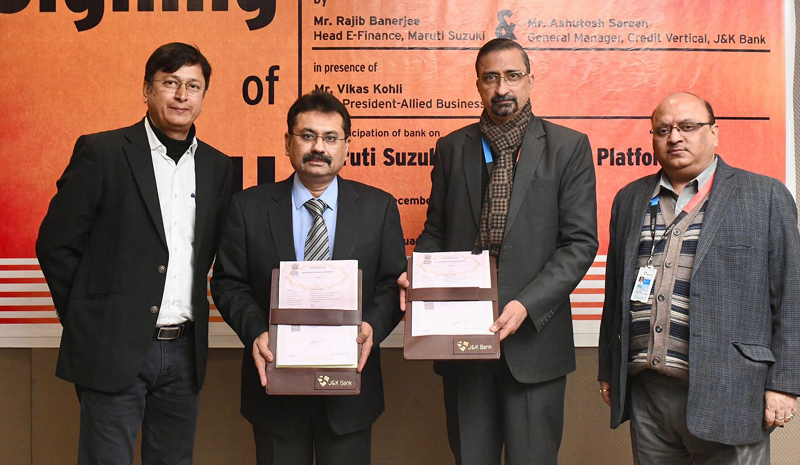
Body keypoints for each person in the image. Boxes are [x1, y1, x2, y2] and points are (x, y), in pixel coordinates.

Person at [398, 38, 598, 465]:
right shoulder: (452, 148)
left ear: (530, 80)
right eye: (490, 78)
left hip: (534, 343)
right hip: (461, 342)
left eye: (512, 76)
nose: (501, 88)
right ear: (477, 84)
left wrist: (526, 305)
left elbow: (579, 243)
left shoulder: (568, 147)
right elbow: (435, 231)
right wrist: (420, 274)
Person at [36, 42, 232, 465]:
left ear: (203, 95)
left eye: (193, 86)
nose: (182, 95)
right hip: (111, 347)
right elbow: (56, 244)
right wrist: (89, 320)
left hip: (184, 351)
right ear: (147, 89)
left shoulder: (218, 167)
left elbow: (208, 252)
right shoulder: (103, 152)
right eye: (170, 83)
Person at [598, 92, 800, 464]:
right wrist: (610, 369)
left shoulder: (765, 196)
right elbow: (616, 293)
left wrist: (785, 385)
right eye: (663, 130)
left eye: (688, 127)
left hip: (732, 389)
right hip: (648, 393)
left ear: (714, 132)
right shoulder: (630, 198)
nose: (675, 137)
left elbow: (792, 298)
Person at [210, 90, 406, 465]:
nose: (319, 147)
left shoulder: (378, 207)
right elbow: (228, 283)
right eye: (308, 136)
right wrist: (257, 331)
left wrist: (370, 325)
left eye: (331, 138)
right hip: (275, 386)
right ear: (288, 142)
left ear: (347, 146)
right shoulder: (249, 207)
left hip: (350, 390)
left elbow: (390, 283)